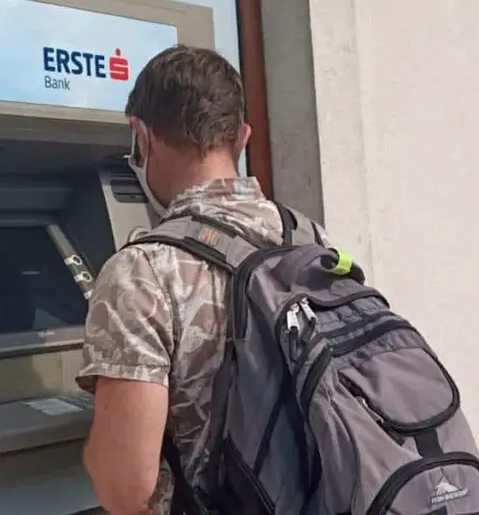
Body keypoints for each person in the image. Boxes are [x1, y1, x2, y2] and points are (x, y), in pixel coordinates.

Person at [76, 45, 317, 514]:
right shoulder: (308, 238)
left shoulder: (142, 271)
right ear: (242, 138)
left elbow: (127, 489)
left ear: (141, 138)